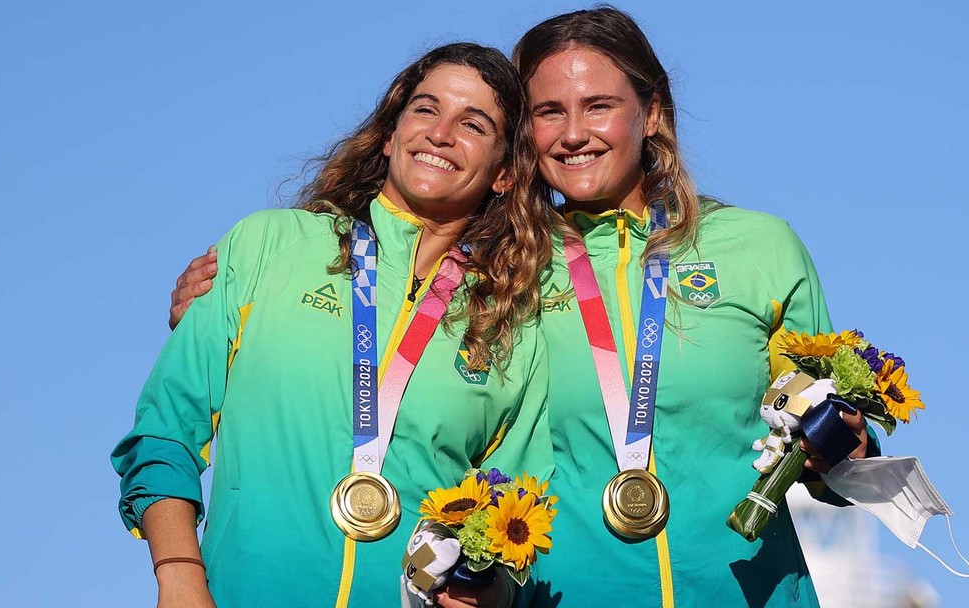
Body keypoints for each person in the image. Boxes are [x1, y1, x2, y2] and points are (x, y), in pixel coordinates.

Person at [169, 7, 879, 608]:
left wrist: (843, 440)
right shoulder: (506, 272)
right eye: (548, 112)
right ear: (523, 139)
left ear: (652, 113)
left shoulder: (761, 248)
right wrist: (221, 305)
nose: (573, 133)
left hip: (746, 591)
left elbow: (832, 454)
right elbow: (375, 364)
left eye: (598, 105)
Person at [114, 42, 557, 608]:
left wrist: (488, 589)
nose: (440, 133)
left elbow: (518, 503)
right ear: (390, 134)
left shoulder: (509, 320)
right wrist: (178, 573)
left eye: (472, 123)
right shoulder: (267, 246)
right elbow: (165, 428)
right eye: (425, 109)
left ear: (503, 172)